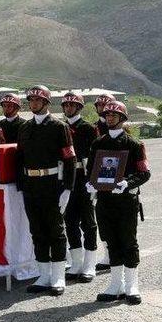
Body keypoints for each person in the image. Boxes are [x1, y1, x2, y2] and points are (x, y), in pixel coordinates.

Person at [86, 101, 151, 305]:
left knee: (128, 242)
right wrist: (90, 184)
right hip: (105, 201)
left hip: (125, 201)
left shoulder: (134, 145)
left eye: (115, 115)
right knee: (111, 241)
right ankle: (115, 284)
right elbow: (91, 172)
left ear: (122, 118)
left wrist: (127, 183)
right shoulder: (98, 144)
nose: (110, 118)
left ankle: (132, 285)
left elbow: (144, 173)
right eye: (108, 115)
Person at [16, 85, 76, 296]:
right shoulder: (24, 128)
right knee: (37, 231)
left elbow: (70, 159)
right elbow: (19, 158)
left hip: (52, 185)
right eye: (31, 100)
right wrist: (20, 185)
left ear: (46, 103)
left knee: (55, 232)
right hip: (31, 186)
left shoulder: (59, 127)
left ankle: (58, 276)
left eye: (37, 100)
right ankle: (44, 275)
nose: (33, 104)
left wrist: (68, 188)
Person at [60, 91, 100, 283]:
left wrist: (94, 183)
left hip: (84, 179)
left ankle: (89, 265)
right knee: (70, 222)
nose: (68, 108)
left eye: (72, 105)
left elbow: (96, 157)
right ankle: (76, 263)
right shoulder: (60, 127)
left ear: (79, 108)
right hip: (67, 179)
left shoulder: (88, 129)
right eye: (66, 105)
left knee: (88, 223)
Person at [93, 93, 116, 271]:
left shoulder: (119, 128)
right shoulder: (95, 127)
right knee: (102, 218)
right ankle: (108, 255)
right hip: (100, 176)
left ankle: (119, 253)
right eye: (100, 106)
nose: (102, 109)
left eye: (105, 105)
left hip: (117, 177)